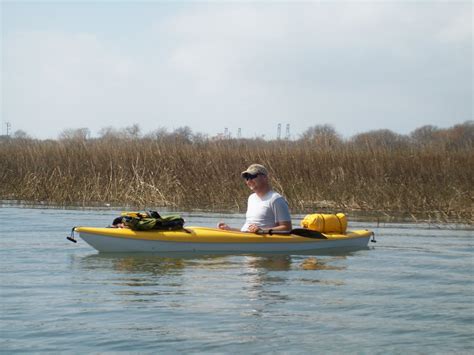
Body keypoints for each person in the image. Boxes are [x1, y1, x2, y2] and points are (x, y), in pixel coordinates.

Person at [218, 164, 292, 233]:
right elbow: (246, 229)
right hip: (248, 239)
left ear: (265, 177)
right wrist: (230, 229)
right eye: (247, 178)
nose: (249, 181)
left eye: (252, 177)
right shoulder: (251, 198)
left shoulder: (276, 199)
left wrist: (262, 231)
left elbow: (287, 228)